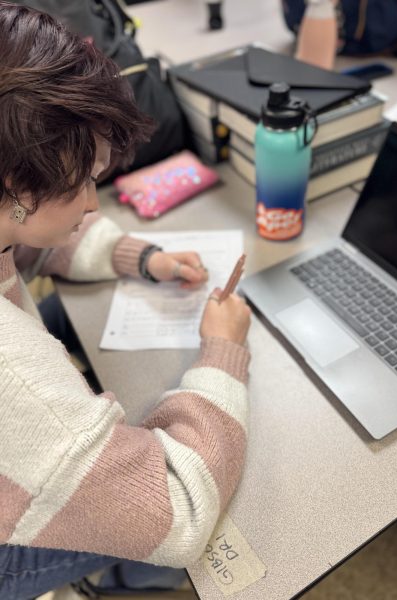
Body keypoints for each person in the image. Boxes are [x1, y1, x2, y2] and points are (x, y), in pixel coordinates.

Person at [0, 3, 251, 599]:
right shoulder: (15, 375)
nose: (93, 204)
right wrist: (221, 352)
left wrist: (142, 258)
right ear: (17, 187)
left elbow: (27, 240)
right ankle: (125, 576)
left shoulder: (8, 206)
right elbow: (181, 508)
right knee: (200, 528)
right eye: (83, 181)